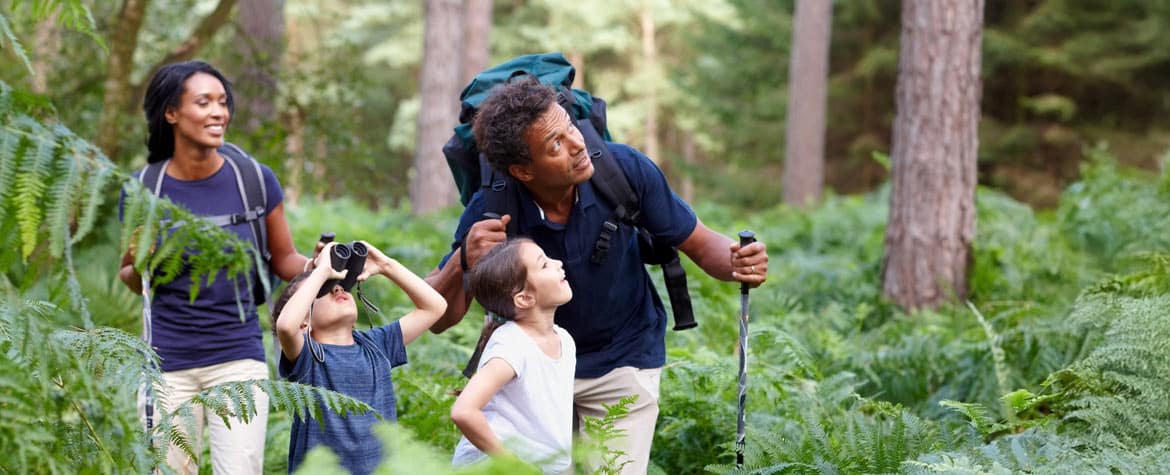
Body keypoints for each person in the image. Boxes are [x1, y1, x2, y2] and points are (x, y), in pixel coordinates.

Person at [425, 77, 770, 474]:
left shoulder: (623, 170)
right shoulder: (493, 207)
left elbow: (699, 242)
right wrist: (462, 261)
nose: (577, 145)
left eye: (570, 127)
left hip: (624, 357)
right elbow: (440, 318)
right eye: (555, 144)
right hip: (533, 372)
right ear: (522, 170)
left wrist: (738, 262)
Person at [117, 60, 312, 474]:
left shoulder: (255, 180)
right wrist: (145, 261)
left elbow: (284, 261)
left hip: (237, 358)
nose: (218, 112)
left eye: (222, 102)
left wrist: (321, 265)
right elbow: (132, 278)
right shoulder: (143, 190)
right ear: (171, 113)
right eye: (203, 102)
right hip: (164, 366)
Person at [274, 241, 447, 474]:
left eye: (341, 284)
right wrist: (321, 270)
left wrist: (386, 265)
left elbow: (435, 307)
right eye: (323, 289)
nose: (338, 289)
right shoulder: (308, 356)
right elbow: (285, 326)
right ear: (304, 321)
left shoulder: (376, 345)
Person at [450, 238, 577, 474]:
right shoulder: (513, 345)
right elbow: (463, 411)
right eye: (544, 265)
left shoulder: (565, 340)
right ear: (524, 298)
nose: (558, 263)